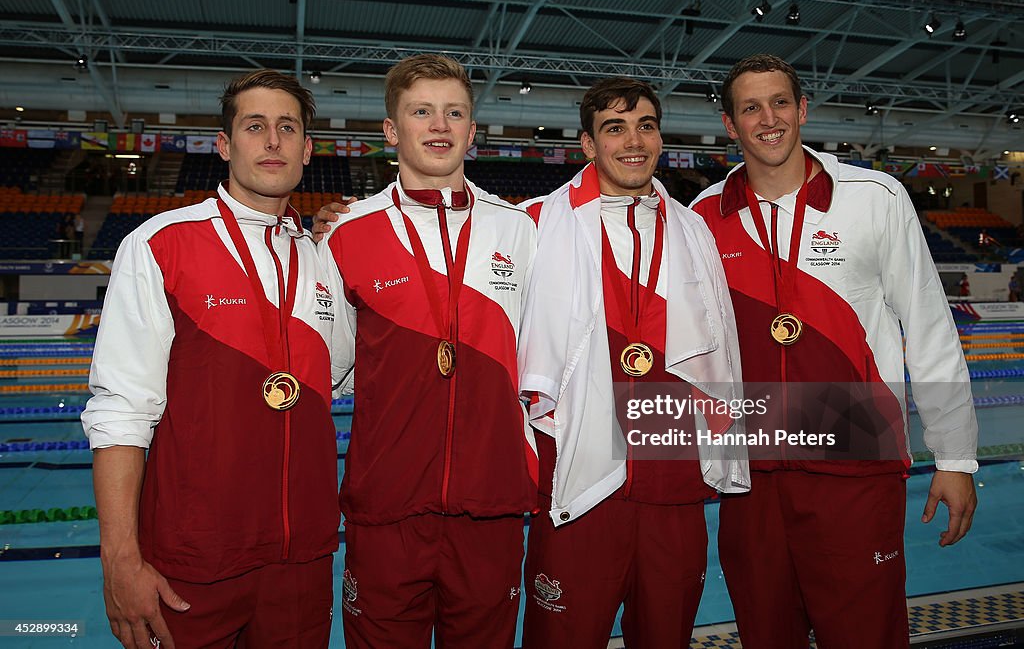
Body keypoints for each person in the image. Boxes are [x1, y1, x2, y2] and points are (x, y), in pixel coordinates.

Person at [691, 54, 978, 648]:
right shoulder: (703, 219)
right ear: (730, 124)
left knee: (866, 635)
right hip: (754, 481)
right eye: (750, 108)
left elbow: (928, 328)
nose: (767, 119)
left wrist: (955, 458)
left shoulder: (875, 197)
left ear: (802, 109)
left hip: (856, 469)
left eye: (778, 103)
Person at [82, 69, 340, 649]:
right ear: (225, 145)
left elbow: (338, 382)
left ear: (306, 148)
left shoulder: (325, 260)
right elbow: (121, 411)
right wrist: (119, 558)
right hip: (192, 562)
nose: (272, 141)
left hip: (302, 561)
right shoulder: (160, 244)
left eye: (287, 127)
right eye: (255, 126)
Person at [516, 77, 747, 648]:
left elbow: (721, 352)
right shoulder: (535, 224)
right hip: (579, 485)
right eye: (614, 128)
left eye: (645, 126)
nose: (633, 140)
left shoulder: (693, 229)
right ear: (589, 145)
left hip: (672, 483)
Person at [317, 54, 537, 649]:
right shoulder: (346, 233)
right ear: (392, 130)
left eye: (454, 112)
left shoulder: (519, 230)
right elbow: (332, 370)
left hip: (491, 503)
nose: (438, 125)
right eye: (421, 111)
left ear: (471, 130)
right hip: (387, 507)